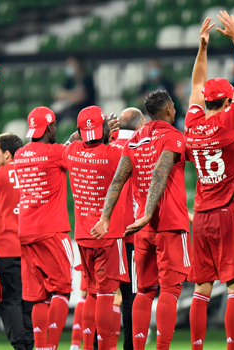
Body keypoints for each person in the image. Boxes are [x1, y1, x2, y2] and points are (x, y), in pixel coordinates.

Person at [92, 89, 190, 350]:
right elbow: (161, 169)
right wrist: (149, 212)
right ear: (169, 110)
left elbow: (118, 178)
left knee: (144, 291)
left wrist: (105, 217)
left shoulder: (135, 139)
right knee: (170, 289)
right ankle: (162, 348)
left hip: (141, 230)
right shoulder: (174, 136)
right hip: (167, 222)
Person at [183, 13, 234, 350]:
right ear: (227, 101)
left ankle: (196, 346)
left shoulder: (193, 125)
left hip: (201, 216)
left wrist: (202, 49)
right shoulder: (228, 121)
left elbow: (196, 86)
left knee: (202, 286)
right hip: (229, 211)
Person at [63, 106, 132, 350]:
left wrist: (87, 132)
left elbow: (68, 142)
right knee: (106, 294)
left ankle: (85, 345)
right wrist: (109, 134)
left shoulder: (71, 152)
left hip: (82, 236)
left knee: (91, 293)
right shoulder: (114, 153)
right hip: (108, 234)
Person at [14, 106, 74, 350]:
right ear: (49, 127)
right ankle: (51, 347)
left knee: (37, 295)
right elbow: (74, 158)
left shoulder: (20, 154)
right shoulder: (57, 153)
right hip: (52, 230)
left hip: (26, 231)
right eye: (55, 125)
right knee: (61, 290)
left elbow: (50, 153)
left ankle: (40, 347)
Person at [0, 132, 34, 350]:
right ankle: (31, 342)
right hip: (31, 248)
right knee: (30, 298)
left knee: (9, 300)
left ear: (7, 153)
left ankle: (20, 344)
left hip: (6, 249)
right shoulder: (33, 172)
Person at [108, 107, 146, 350]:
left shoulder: (104, 147)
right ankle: (131, 347)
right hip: (131, 234)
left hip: (104, 232)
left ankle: (95, 345)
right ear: (140, 126)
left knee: (99, 295)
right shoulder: (141, 147)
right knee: (132, 296)